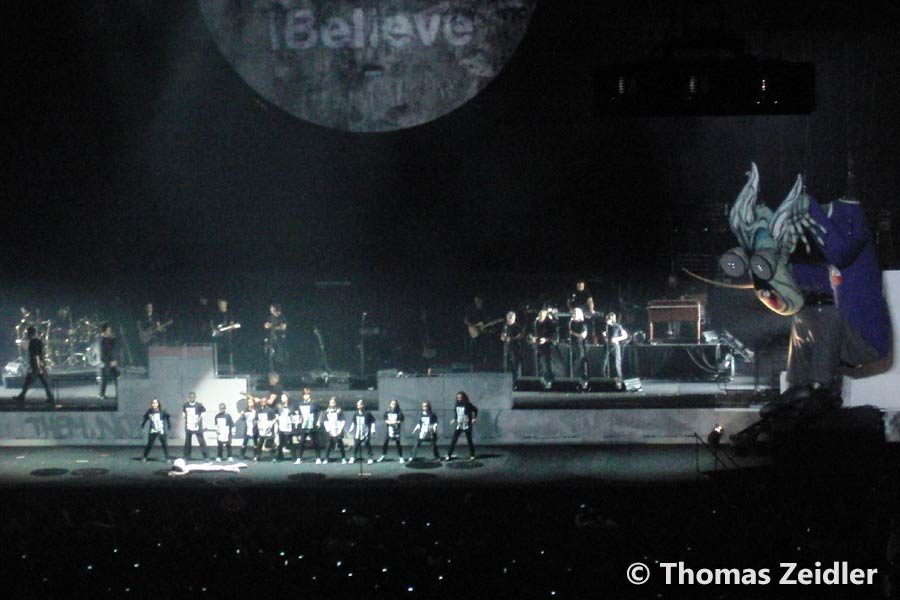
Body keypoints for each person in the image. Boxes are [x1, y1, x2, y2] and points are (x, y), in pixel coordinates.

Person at [13, 326, 54, 405]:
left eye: (27, 333)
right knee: (44, 382)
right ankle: (50, 398)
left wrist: (38, 367)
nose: (26, 335)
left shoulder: (33, 342)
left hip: (36, 365)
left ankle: (21, 396)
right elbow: (40, 353)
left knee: (29, 381)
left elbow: (36, 355)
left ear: (30, 334)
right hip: (40, 364)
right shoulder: (38, 341)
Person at [444, 391, 478, 461]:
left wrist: (474, 418)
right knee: (453, 440)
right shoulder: (457, 404)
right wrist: (454, 419)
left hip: (466, 424)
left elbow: (475, 410)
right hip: (459, 424)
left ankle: (472, 455)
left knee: (469, 440)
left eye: (461, 397)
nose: (459, 399)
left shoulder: (468, 404)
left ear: (464, 398)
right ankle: (449, 455)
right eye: (458, 397)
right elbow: (456, 413)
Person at [294, 388, 322, 464]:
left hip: (313, 424)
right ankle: (299, 458)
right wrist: (298, 421)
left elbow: (320, 412)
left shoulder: (314, 403)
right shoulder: (300, 404)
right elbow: (300, 414)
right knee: (301, 442)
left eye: (307, 394)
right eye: (304, 395)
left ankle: (318, 458)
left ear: (310, 395)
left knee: (315, 442)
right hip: (304, 425)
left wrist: (318, 421)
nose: (306, 396)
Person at [213, 297, 239, 376]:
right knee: (217, 352)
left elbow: (232, 325)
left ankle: (231, 369)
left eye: (223, 304)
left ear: (226, 304)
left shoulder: (229, 314)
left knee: (229, 352)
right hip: (217, 337)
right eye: (220, 304)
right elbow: (212, 323)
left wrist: (230, 327)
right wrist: (214, 329)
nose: (221, 305)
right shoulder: (216, 313)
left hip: (227, 337)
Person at [531, 309, 557, 385]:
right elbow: (532, 332)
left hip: (548, 346)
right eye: (539, 316)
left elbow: (554, 336)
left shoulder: (550, 323)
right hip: (538, 345)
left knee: (546, 363)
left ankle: (549, 379)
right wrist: (533, 337)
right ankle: (540, 379)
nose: (540, 318)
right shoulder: (536, 322)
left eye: (542, 316)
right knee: (538, 363)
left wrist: (546, 339)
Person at [140, 398, 171, 462]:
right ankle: (144, 457)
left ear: (158, 404)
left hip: (161, 430)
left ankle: (167, 458)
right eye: (153, 403)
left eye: (156, 403)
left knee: (164, 444)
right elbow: (145, 418)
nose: (154, 404)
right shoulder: (149, 411)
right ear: (151, 404)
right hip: (153, 430)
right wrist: (143, 424)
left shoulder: (162, 411)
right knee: (149, 444)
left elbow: (167, 417)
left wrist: (169, 425)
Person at [463, 295, 489, 370]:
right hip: (473, 331)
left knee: (484, 344)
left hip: (481, 331)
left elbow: (485, 322)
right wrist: (474, 326)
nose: (479, 303)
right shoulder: (470, 309)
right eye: (477, 301)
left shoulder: (483, 310)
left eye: (480, 301)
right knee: (473, 345)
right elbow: (465, 321)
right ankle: (472, 364)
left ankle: (483, 364)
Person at [348, 399, 376, 464]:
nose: (359, 406)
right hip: (358, 432)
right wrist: (351, 429)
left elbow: (373, 421)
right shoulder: (356, 413)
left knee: (367, 444)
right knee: (356, 445)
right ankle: (353, 457)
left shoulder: (368, 413)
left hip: (365, 431)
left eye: (360, 405)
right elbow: (353, 422)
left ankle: (370, 457)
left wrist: (373, 430)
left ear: (363, 405)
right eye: (358, 405)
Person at [602, 312, 628, 382]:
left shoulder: (617, 326)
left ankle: (619, 379)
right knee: (603, 363)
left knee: (617, 363)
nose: (608, 319)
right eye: (607, 318)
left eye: (610, 318)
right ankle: (604, 379)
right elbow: (603, 334)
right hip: (606, 346)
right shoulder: (605, 326)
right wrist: (605, 338)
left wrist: (616, 339)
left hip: (615, 345)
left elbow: (625, 335)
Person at [182, 392, 209, 460]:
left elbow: (204, 412)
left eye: (193, 397)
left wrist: (200, 418)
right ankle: (187, 456)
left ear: (195, 397)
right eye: (190, 397)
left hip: (197, 426)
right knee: (187, 441)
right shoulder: (185, 405)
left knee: (201, 441)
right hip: (189, 425)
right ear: (189, 398)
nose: (192, 398)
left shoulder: (199, 405)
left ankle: (206, 456)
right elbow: (184, 413)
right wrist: (185, 419)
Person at [378, 399, 406, 463]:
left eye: (395, 404)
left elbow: (402, 419)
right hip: (389, 430)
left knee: (398, 443)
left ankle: (401, 457)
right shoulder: (387, 411)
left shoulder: (399, 411)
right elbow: (385, 418)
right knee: (385, 443)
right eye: (392, 404)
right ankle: (383, 455)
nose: (393, 405)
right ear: (390, 404)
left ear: (396, 405)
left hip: (396, 430)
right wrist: (388, 422)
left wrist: (396, 422)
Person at [264, 303, 288, 372]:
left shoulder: (282, 317)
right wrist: (268, 325)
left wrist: (272, 326)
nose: (270, 310)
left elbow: (283, 327)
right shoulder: (270, 317)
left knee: (280, 354)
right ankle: (272, 369)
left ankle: (282, 369)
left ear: (275, 309)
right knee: (271, 354)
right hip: (271, 338)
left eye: (271, 308)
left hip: (280, 338)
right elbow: (266, 325)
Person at [500, 311, 524, 378]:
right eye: (509, 317)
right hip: (506, 346)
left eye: (512, 317)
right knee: (505, 361)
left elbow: (520, 336)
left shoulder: (517, 327)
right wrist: (502, 337)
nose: (510, 318)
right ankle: (505, 373)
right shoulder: (505, 326)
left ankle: (515, 376)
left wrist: (512, 339)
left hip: (514, 347)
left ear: (514, 318)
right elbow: (503, 334)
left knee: (514, 362)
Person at [322, 397, 347, 464]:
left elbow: (343, 420)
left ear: (336, 403)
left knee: (340, 444)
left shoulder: (339, 411)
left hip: (338, 430)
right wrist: (328, 430)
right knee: (328, 444)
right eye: (331, 402)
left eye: (333, 402)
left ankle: (343, 458)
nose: (332, 404)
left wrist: (340, 429)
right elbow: (325, 421)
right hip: (330, 430)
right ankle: (326, 458)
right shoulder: (327, 411)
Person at [97, 323, 118, 400]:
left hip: (110, 360)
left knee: (115, 376)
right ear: (105, 331)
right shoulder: (102, 339)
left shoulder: (107, 338)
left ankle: (118, 393)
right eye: (108, 330)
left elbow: (112, 347)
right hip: (106, 361)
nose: (110, 331)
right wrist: (109, 361)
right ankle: (101, 394)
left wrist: (113, 338)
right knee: (104, 378)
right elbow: (104, 351)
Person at [168, 458, 248, 476]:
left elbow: (198, 466)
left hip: (206, 467)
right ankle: (235, 468)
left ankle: (236, 467)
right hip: (207, 469)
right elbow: (184, 473)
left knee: (221, 467)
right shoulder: (186, 468)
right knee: (221, 467)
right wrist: (173, 473)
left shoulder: (187, 466)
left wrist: (206, 464)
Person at [569, 308, 589, 380]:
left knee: (581, 358)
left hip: (580, 344)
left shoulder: (583, 324)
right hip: (573, 344)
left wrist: (573, 333)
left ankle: (578, 374)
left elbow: (583, 335)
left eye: (575, 313)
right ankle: (574, 376)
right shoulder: (572, 323)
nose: (573, 315)